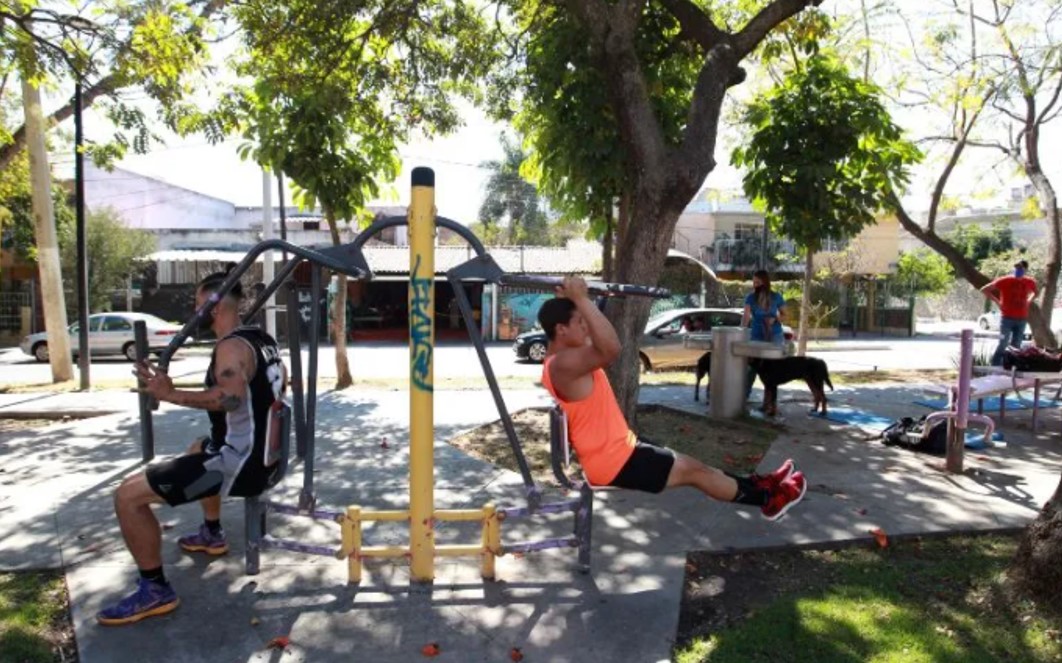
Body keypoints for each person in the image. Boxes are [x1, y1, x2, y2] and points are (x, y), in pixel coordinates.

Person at [97, 267, 287, 626]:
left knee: (127, 496)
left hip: (241, 464)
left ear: (214, 309)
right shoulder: (261, 339)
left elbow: (228, 401)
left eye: (198, 306)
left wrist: (169, 394)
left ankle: (154, 589)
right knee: (197, 446)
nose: (193, 314)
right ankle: (212, 534)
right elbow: (273, 391)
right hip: (265, 458)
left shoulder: (230, 347)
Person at [538, 276, 806, 521]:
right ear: (561, 330)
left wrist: (575, 299)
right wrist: (581, 299)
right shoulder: (562, 365)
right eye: (579, 324)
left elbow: (599, 333)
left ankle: (761, 485)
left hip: (621, 449)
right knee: (696, 473)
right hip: (614, 463)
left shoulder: (567, 356)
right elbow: (611, 348)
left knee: (699, 466)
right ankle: (770, 500)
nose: (586, 329)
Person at [982, 260, 1038, 366]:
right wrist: (998, 302)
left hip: (1022, 318)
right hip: (1007, 317)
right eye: (1016, 268)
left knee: (1016, 345)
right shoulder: (1005, 280)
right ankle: (995, 366)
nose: (1018, 271)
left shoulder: (1030, 282)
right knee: (1003, 342)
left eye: (1020, 269)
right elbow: (985, 289)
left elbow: (1036, 292)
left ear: (1025, 270)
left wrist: (1029, 301)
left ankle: (1011, 366)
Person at [742, 270, 787, 400]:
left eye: (758, 282)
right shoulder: (750, 298)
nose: (755, 285)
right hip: (756, 335)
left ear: (765, 283)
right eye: (754, 282)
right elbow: (745, 318)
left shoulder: (776, 297)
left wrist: (775, 319)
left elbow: (785, 315)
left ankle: (770, 401)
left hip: (775, 335)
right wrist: (740, 332)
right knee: (751, 368)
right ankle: (744, 396)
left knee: (773, 369)